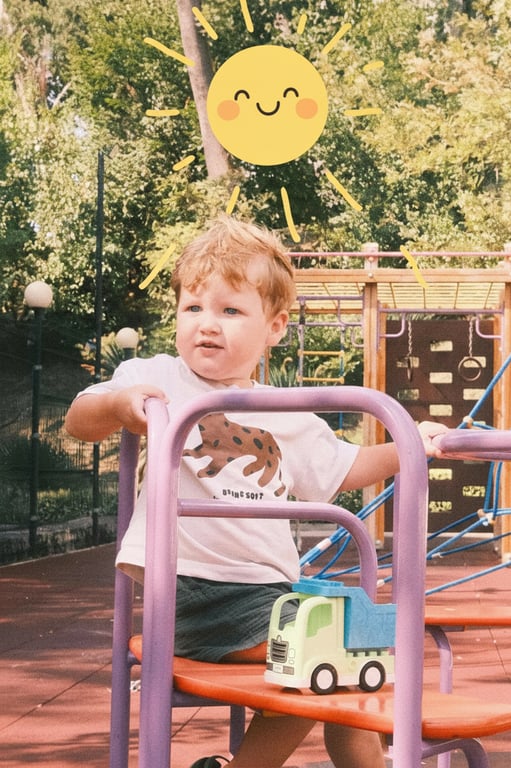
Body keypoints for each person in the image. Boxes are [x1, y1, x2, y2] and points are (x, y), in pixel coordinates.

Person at [65, 217, 448, 768]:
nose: (206, 324)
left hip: (268, 595)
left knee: (356, 663)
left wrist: (410, 442)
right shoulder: (159, 378)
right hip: (189, 594)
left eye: (230, 310)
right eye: (192, 308)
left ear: (275, 326)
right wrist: (122, 407)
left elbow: (347, 468)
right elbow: (79, 419)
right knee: (329, 661)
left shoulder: (285, 413)